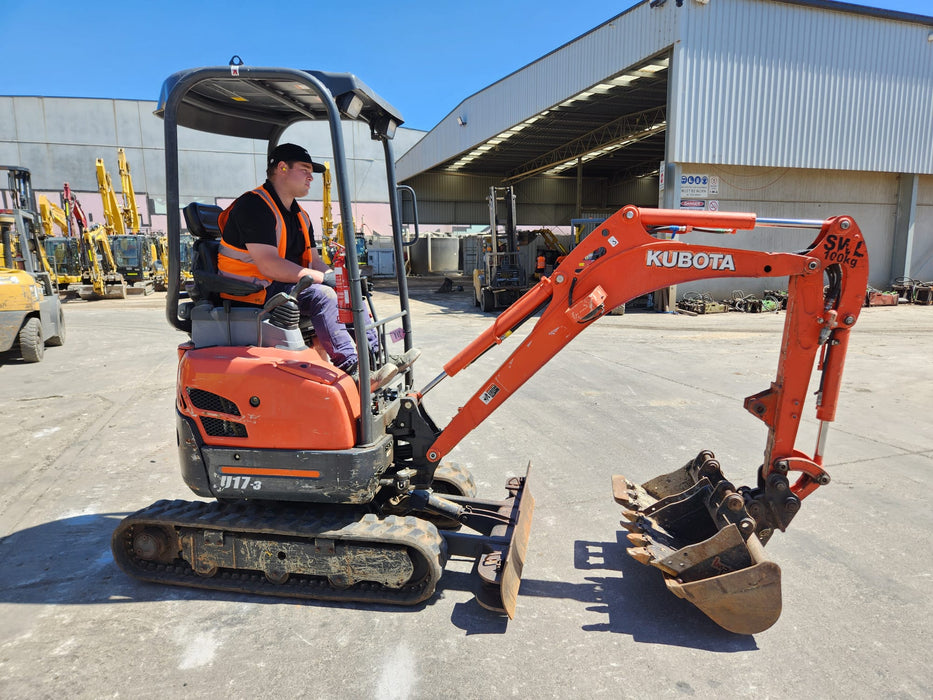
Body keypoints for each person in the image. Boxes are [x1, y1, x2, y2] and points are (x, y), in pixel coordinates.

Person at [217, 143, 417, 389]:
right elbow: (269, 264)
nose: (311, 177)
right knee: (323, 295)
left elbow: (313, 261)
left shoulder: (300, 215)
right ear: (281, 168)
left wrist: (342, 278)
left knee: (348, 290)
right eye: (304, 169)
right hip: (251, 291)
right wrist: (323, 280)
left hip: (281, 286)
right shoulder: (254, 206)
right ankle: (354, 372)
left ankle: (376, 361)